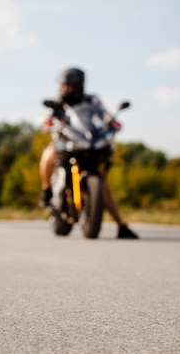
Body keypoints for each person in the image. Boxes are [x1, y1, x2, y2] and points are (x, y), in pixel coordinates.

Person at [39, 67, 138, 239]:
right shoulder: (58, 100)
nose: (64, 88)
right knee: (48, 155)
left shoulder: (92, 100)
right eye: (63, 85)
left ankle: (121, 226)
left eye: (68, 85)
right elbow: (45, 118)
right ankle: (46, 189)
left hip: (87, 142)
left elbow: (104, 115)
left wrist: (112, 123)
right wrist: (48, 123)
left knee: (103, 186)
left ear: (78, 85)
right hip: (65, 141)